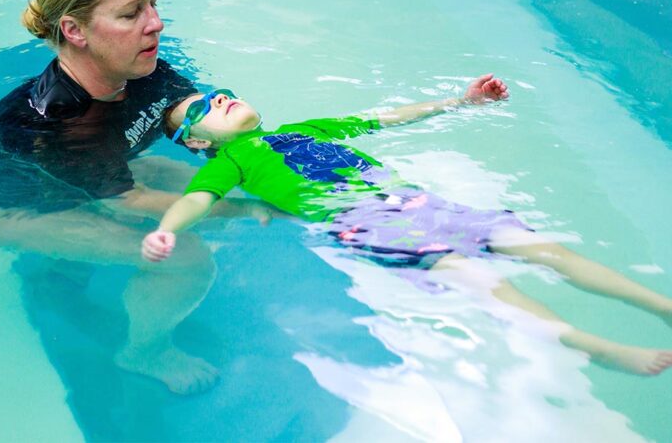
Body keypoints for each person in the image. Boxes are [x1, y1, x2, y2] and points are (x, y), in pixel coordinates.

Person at [142, 75, 672, 376]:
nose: (218, 99)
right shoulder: (226, 163)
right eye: (200, 109)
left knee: (541, 248)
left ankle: (663, 308)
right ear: (196, 142)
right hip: (359, 222)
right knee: (477, 277)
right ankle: (589, 344)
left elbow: (388, 118)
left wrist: (462, 101)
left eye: (217, 91)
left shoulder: (308, 128)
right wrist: (168, 228)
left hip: (414, 202)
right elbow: (197, 201)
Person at [0, 0, 263, 395]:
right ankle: (144, 352)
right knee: (188, 260)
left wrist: (222, 133)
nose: (156, 24)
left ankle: (67, 258)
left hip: (82, 177)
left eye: (153, 3)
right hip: (1, 205)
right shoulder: (62, 121)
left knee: (224, 190)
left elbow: (184, 110)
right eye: (132, 13)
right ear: (74, 30)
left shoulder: (135, 63)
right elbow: (135, 201)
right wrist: (251, 211)